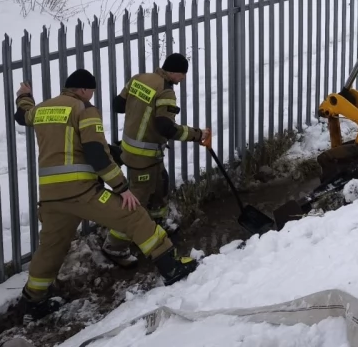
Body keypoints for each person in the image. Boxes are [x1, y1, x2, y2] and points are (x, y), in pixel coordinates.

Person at [14, 69, 198, 319]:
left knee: (51, 248)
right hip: (82, 191)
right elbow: (95, 152)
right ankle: (171, 267)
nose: (91, 96)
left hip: (51, 197)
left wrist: (24, 96)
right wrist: (121, 188)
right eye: (90, 91)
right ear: (82, 90)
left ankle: (32, 299)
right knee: (133, 215)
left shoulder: (44, 109)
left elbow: (23, 115)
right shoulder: (84, 110)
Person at [101, 53, 211, 266]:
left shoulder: (139, 79)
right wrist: (197, 135)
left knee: (160, 184)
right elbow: (165, 127)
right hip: (143, 156)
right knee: (135, 202)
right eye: (182, 74)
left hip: (133, 149)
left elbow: (118, 105)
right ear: (174, 72)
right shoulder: (166, 92)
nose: (183, 79)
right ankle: (114, 247)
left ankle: (156, 223)